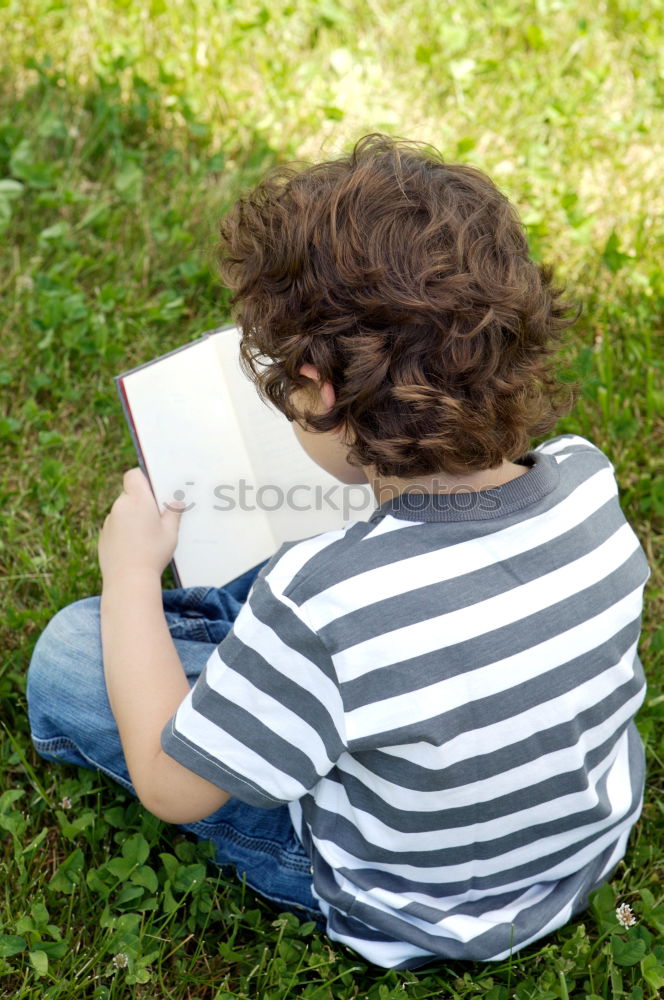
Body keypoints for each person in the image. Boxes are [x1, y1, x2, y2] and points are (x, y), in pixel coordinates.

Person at [27, 134, 650, 969]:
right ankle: (265, 681)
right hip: (576, 849)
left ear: (320, 388)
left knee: (72, 651)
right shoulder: (587, 477)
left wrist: (131, 572)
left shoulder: (322, 597)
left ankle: (240, 671)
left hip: (404, 899)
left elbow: (172, 791)